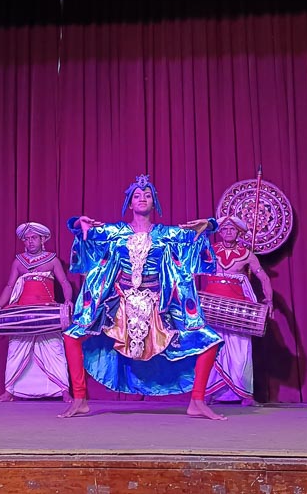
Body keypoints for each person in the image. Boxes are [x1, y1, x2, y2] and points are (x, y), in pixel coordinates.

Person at [59, 174, 226, 420]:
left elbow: (198, 235)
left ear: (154, 202)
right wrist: (77, 223)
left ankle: (197, 401)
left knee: (209, 340)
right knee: (72, 336)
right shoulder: (115, 231)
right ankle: (80, 399)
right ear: (129, 203)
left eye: (147, 195)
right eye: (137, 195)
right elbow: (85, 233)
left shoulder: (166, 234)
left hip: (158, 304)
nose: (142, 198)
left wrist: (210, 225)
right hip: (119, 302)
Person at [0, 222, 73, 402]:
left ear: (42, 239)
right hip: (23, 313)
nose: (30, 242)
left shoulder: (52, 260)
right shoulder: (18, 262)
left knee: (55, 350)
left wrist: (68, 301)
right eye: (26, 239)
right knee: (15, 350)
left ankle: (63, 390)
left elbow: (64, 283)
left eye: (33, 238)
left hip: (46, 312)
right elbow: (10, 286)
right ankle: (9, 391)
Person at [203, 216, 273, 405]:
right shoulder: (209, 249)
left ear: (239, 233)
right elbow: (189, 267)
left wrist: (269, 300)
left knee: (241, 351)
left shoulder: (247, 254)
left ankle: (245, 395)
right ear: (219, 232)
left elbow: (264, 279)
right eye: (224, 229)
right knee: (210, 348)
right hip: (212, 306)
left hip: (238, 310)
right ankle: (207, 393)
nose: (228, 232)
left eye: (232, 230)